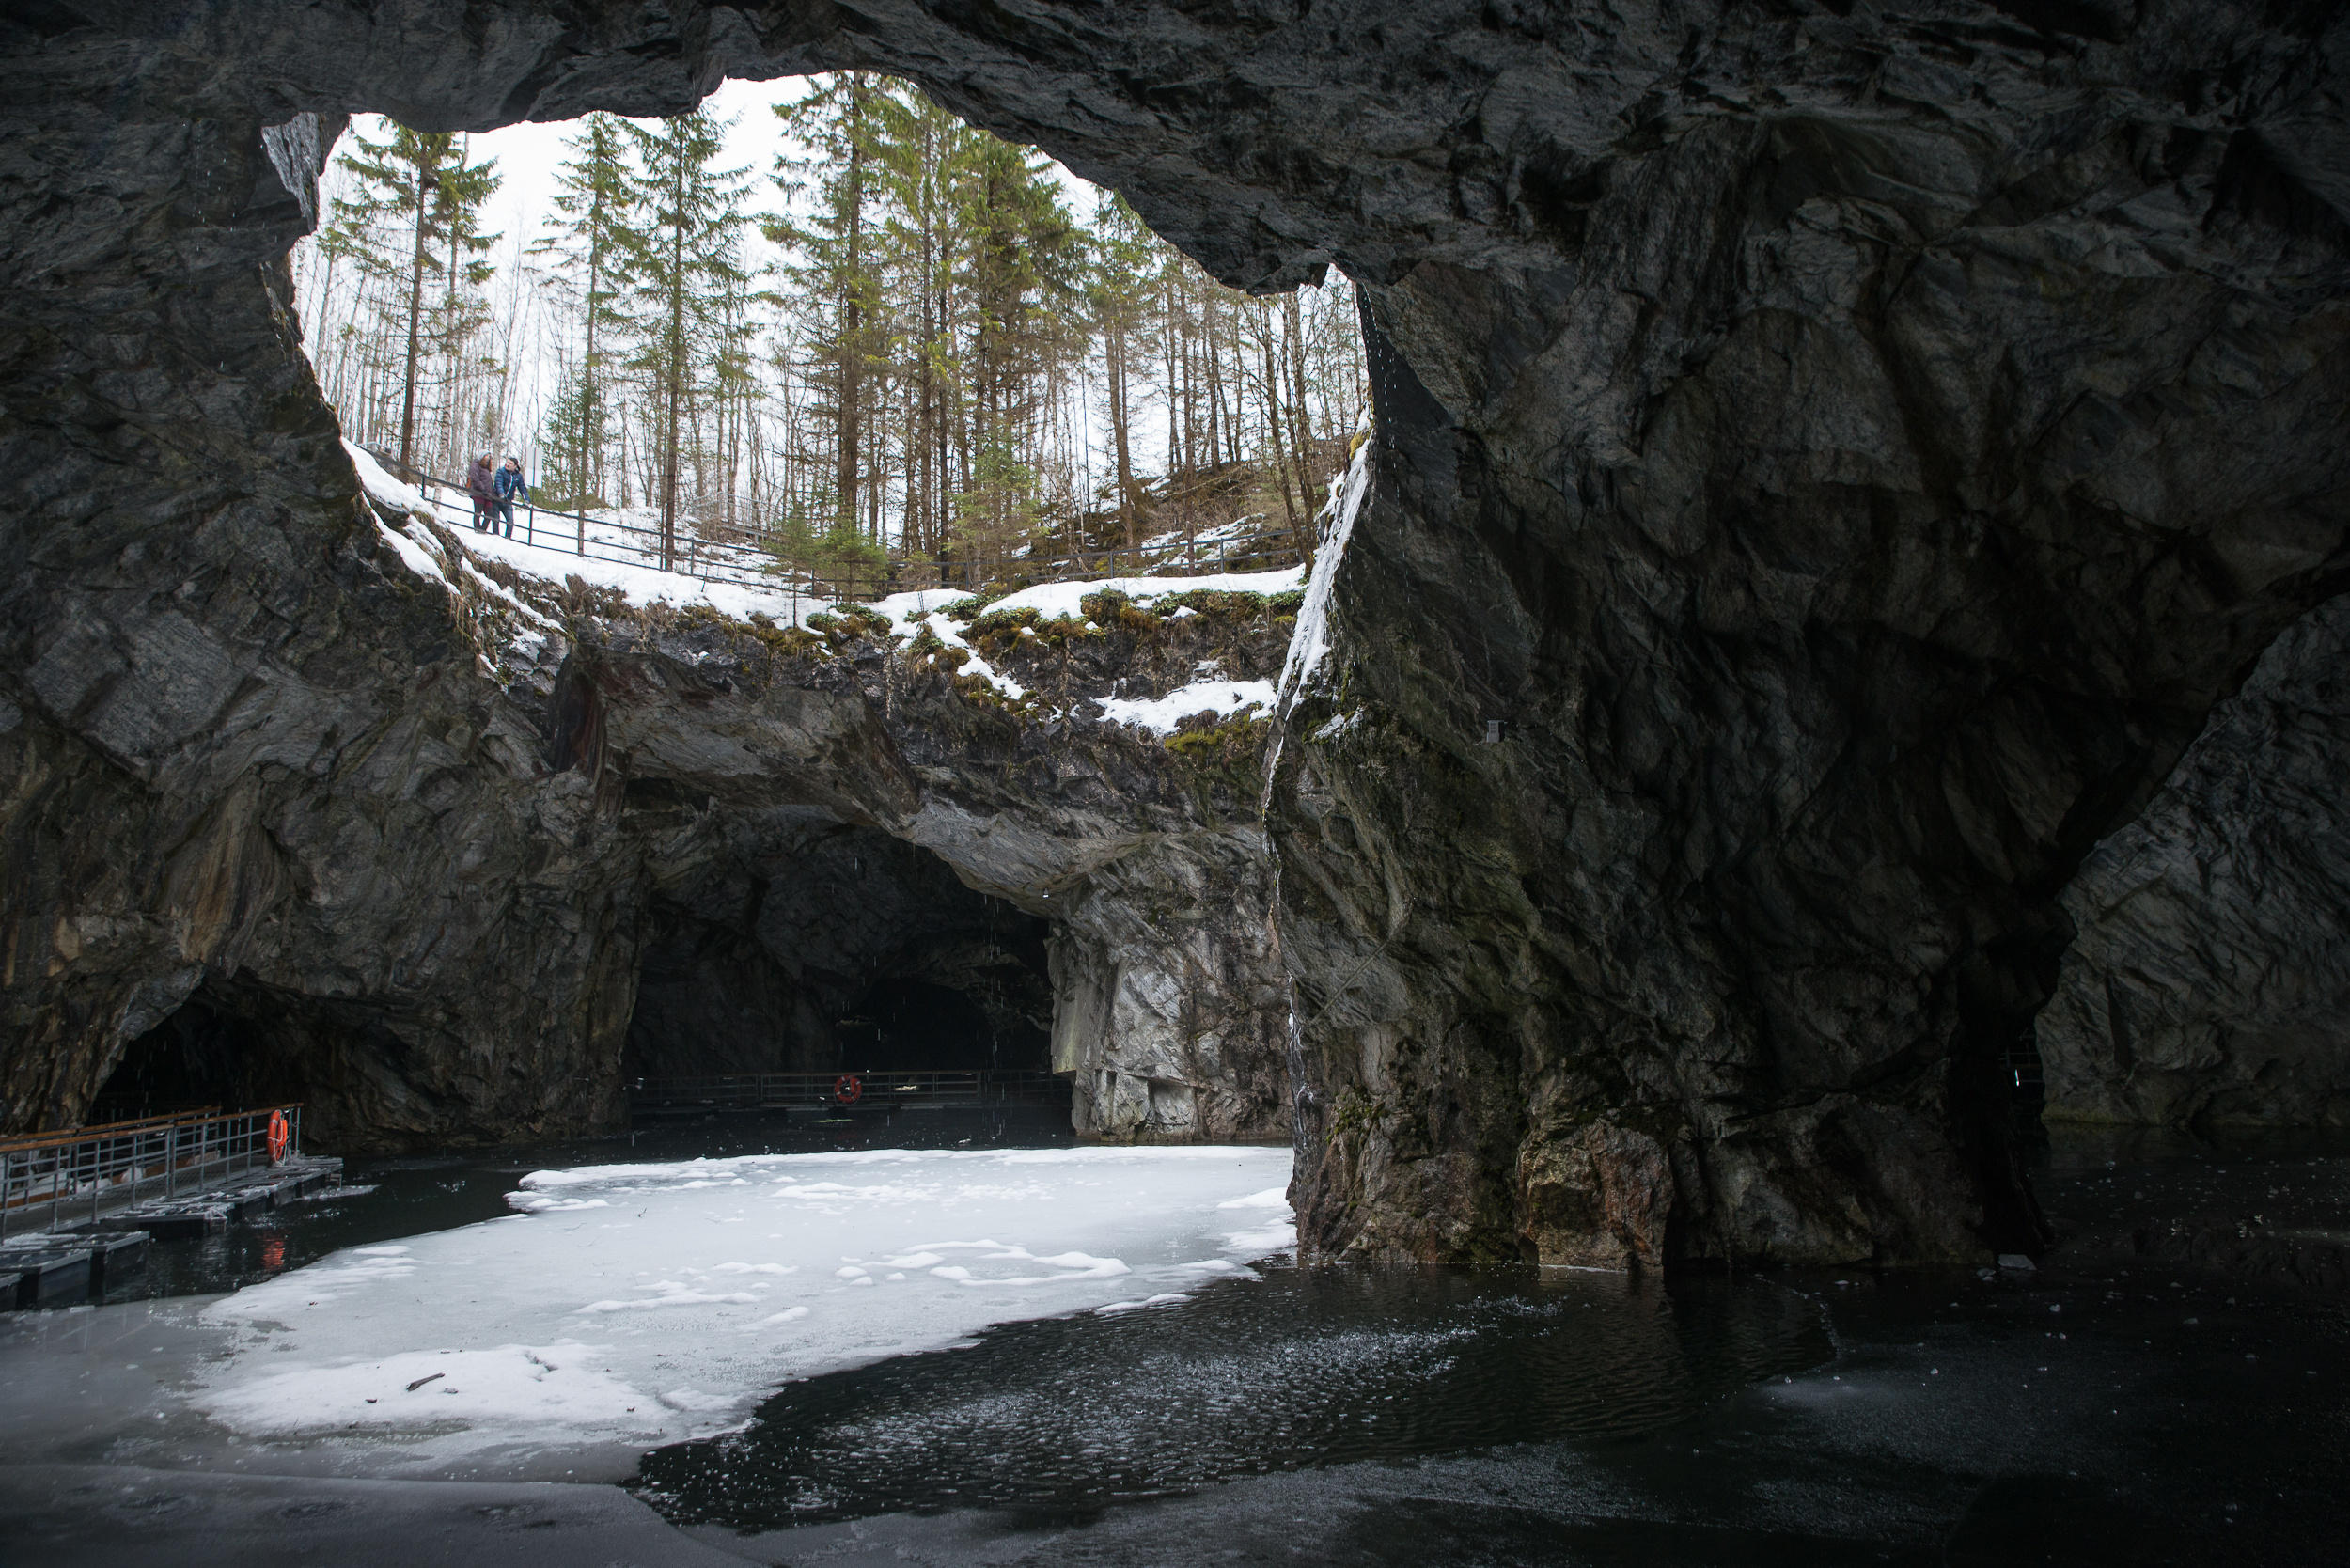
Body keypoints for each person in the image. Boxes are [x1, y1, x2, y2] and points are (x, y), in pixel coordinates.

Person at [492, 456, 530, 538]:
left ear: (515, 466)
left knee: (510, 522)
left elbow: (522, 488)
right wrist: (501, 494)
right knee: (496, 520)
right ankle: (496, 537)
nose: (508, 464)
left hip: (508, 501)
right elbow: (498, 483)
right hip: (497, 499)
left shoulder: (518, 476)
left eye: (510, 463)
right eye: (507, 462)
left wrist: (526, 499)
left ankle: (507, 538)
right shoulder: (501, 471)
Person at [465, 453, 496, 531]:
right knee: (478, 511)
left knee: (489, 513)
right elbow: (475, 478)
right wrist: (482, 489)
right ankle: (477, 528)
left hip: (487, 494)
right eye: (486, 456)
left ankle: (483, 529)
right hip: (478, 493)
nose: (488, 458)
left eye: (489, 456)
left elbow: (489, 482)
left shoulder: (486, 468)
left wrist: (493, 493)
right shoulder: (475, 465)